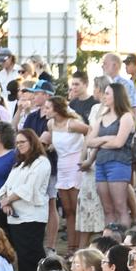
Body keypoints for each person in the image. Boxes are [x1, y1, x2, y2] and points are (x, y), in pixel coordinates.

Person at [0, 128, 51, 271]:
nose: (19, 145)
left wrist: (8, 200)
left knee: (31, 257)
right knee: (22, 258)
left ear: (32, 142)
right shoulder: (18, 165)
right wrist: (6, 202)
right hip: (15, 217)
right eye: (17, 142)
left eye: (22, 142)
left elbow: (29, 188)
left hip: (32, 217)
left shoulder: (41, 162)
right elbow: (6, 187)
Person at [44, 96, 88, 255]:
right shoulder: (51, 124)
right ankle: (71, 247)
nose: (45, 110)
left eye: (48, 108)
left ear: (57, 109)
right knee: (67, 209)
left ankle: (79, 247)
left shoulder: (72, 123)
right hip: (62, 164)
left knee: (77, 207)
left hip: (76, 163)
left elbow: (90, 131)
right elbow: (52, 142)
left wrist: (85, 153)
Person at [88, 83, 135, 230]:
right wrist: (107, 139)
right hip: (101, 164)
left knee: (120, 206)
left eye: (107, 93)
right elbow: (89, 141)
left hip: (119, 163)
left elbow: (119, 143)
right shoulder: (102, 117)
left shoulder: (126, 117)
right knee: (107, 208)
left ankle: (124, 243)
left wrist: (100, 142)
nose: (104, 96)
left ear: (117, 96)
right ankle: (109, 243)